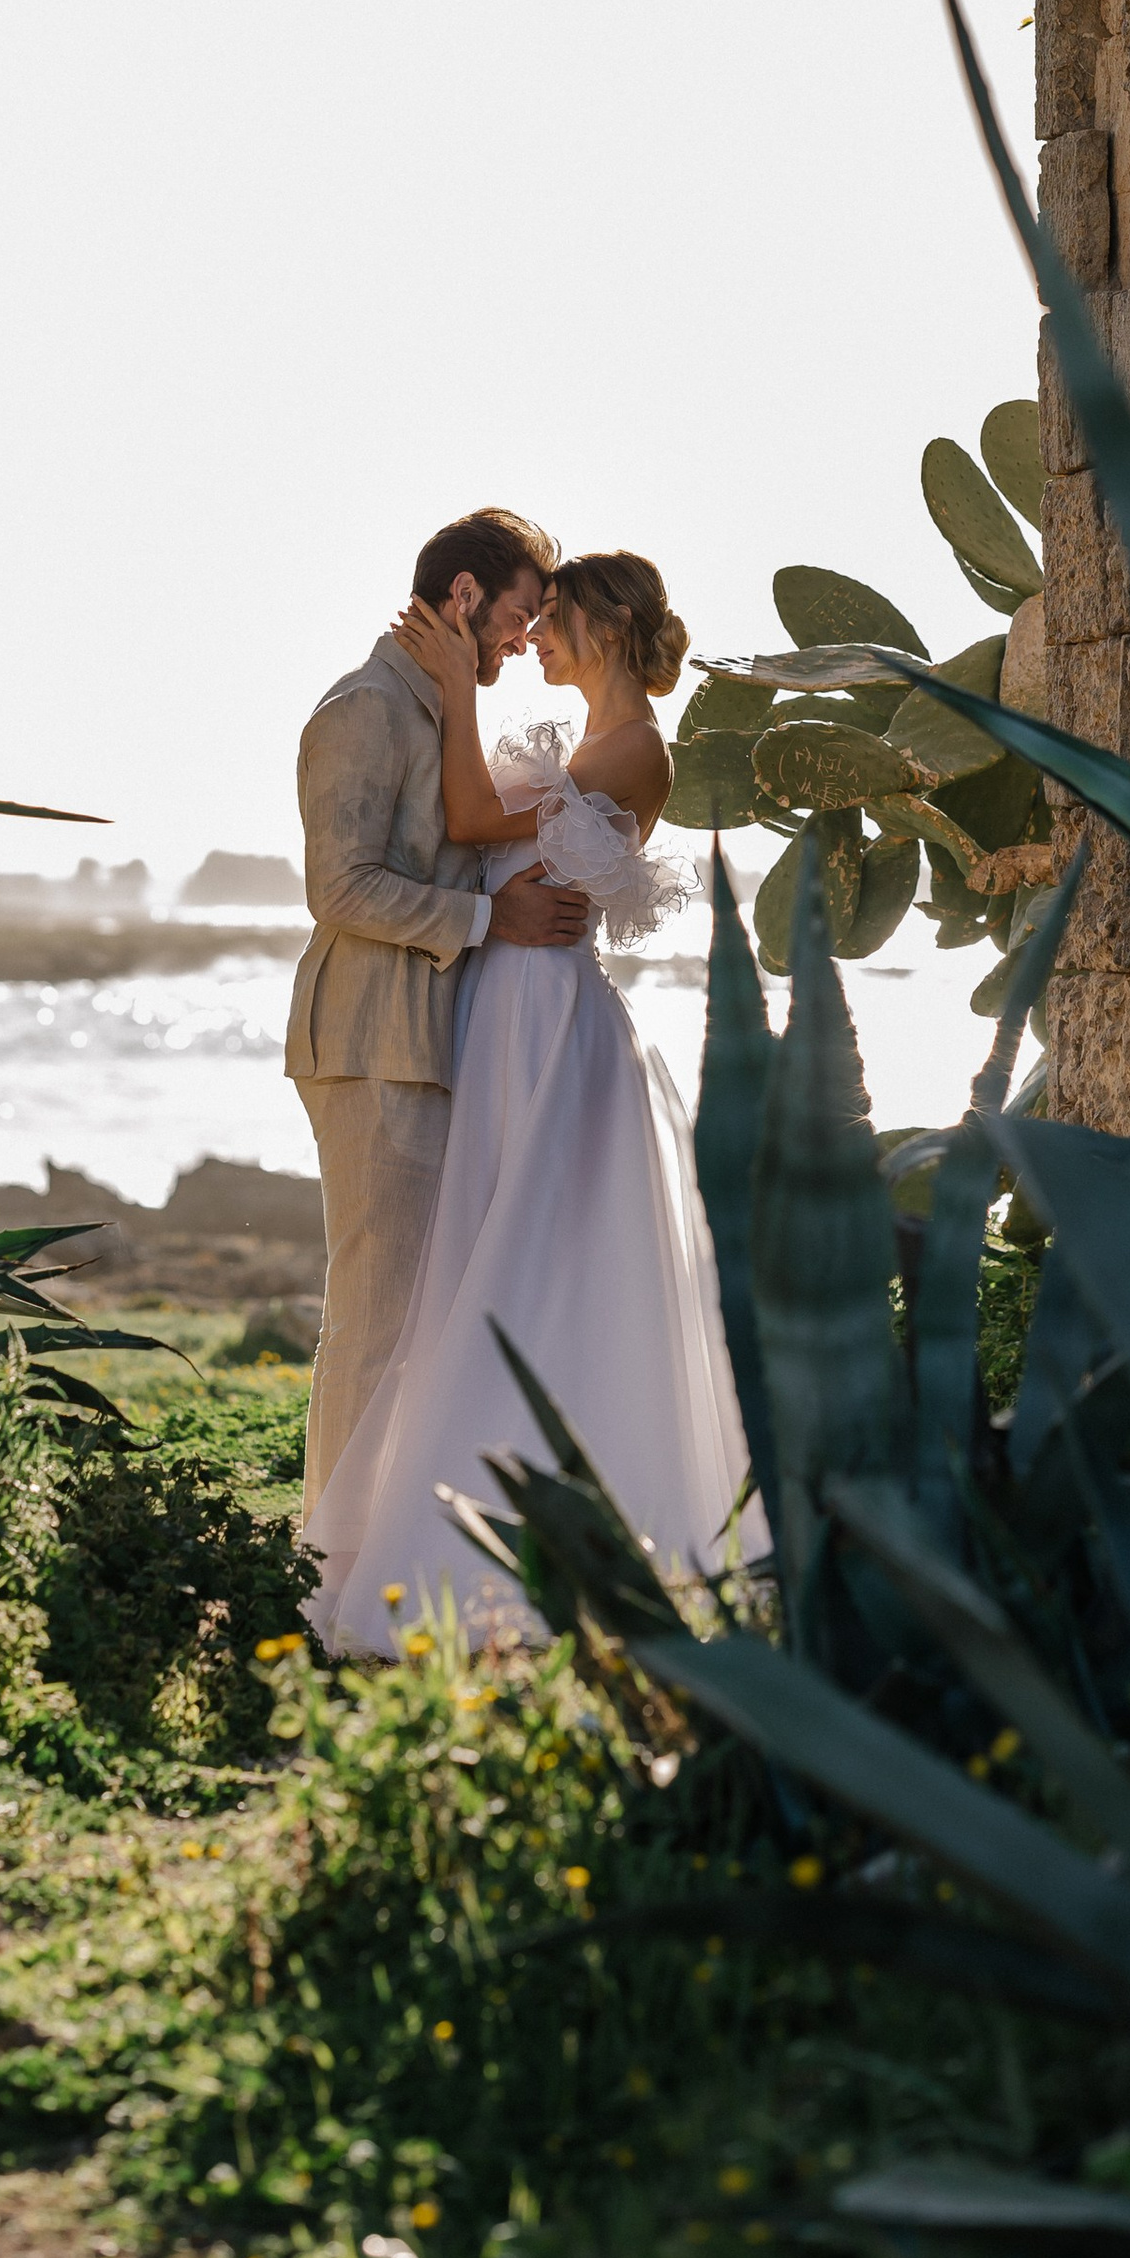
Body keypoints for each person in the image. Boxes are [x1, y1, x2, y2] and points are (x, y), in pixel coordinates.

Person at [304, 549, 756, 1653]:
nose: (536, 637)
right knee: (478, 1262)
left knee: (522, 1264)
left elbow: (466, 814)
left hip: (542, 1015)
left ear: (607, 627)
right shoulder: (588, 740)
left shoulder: (633, 749)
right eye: (530, 615)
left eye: (553, 619)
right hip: (502, 1008)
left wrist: (457, 687)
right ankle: (417, 1523)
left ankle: (482, 1539)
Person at [289, 509, 588, 1515]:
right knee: (374, 1323)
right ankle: (329, 1562)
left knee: (415, 1321)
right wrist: (492, 918)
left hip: (425, 1046)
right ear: (464, 596)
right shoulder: (366, 708)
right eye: (517, 614)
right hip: (371, 1045)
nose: (523, 639)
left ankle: (380, 1539)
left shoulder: (434, 712)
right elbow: (340, 888)